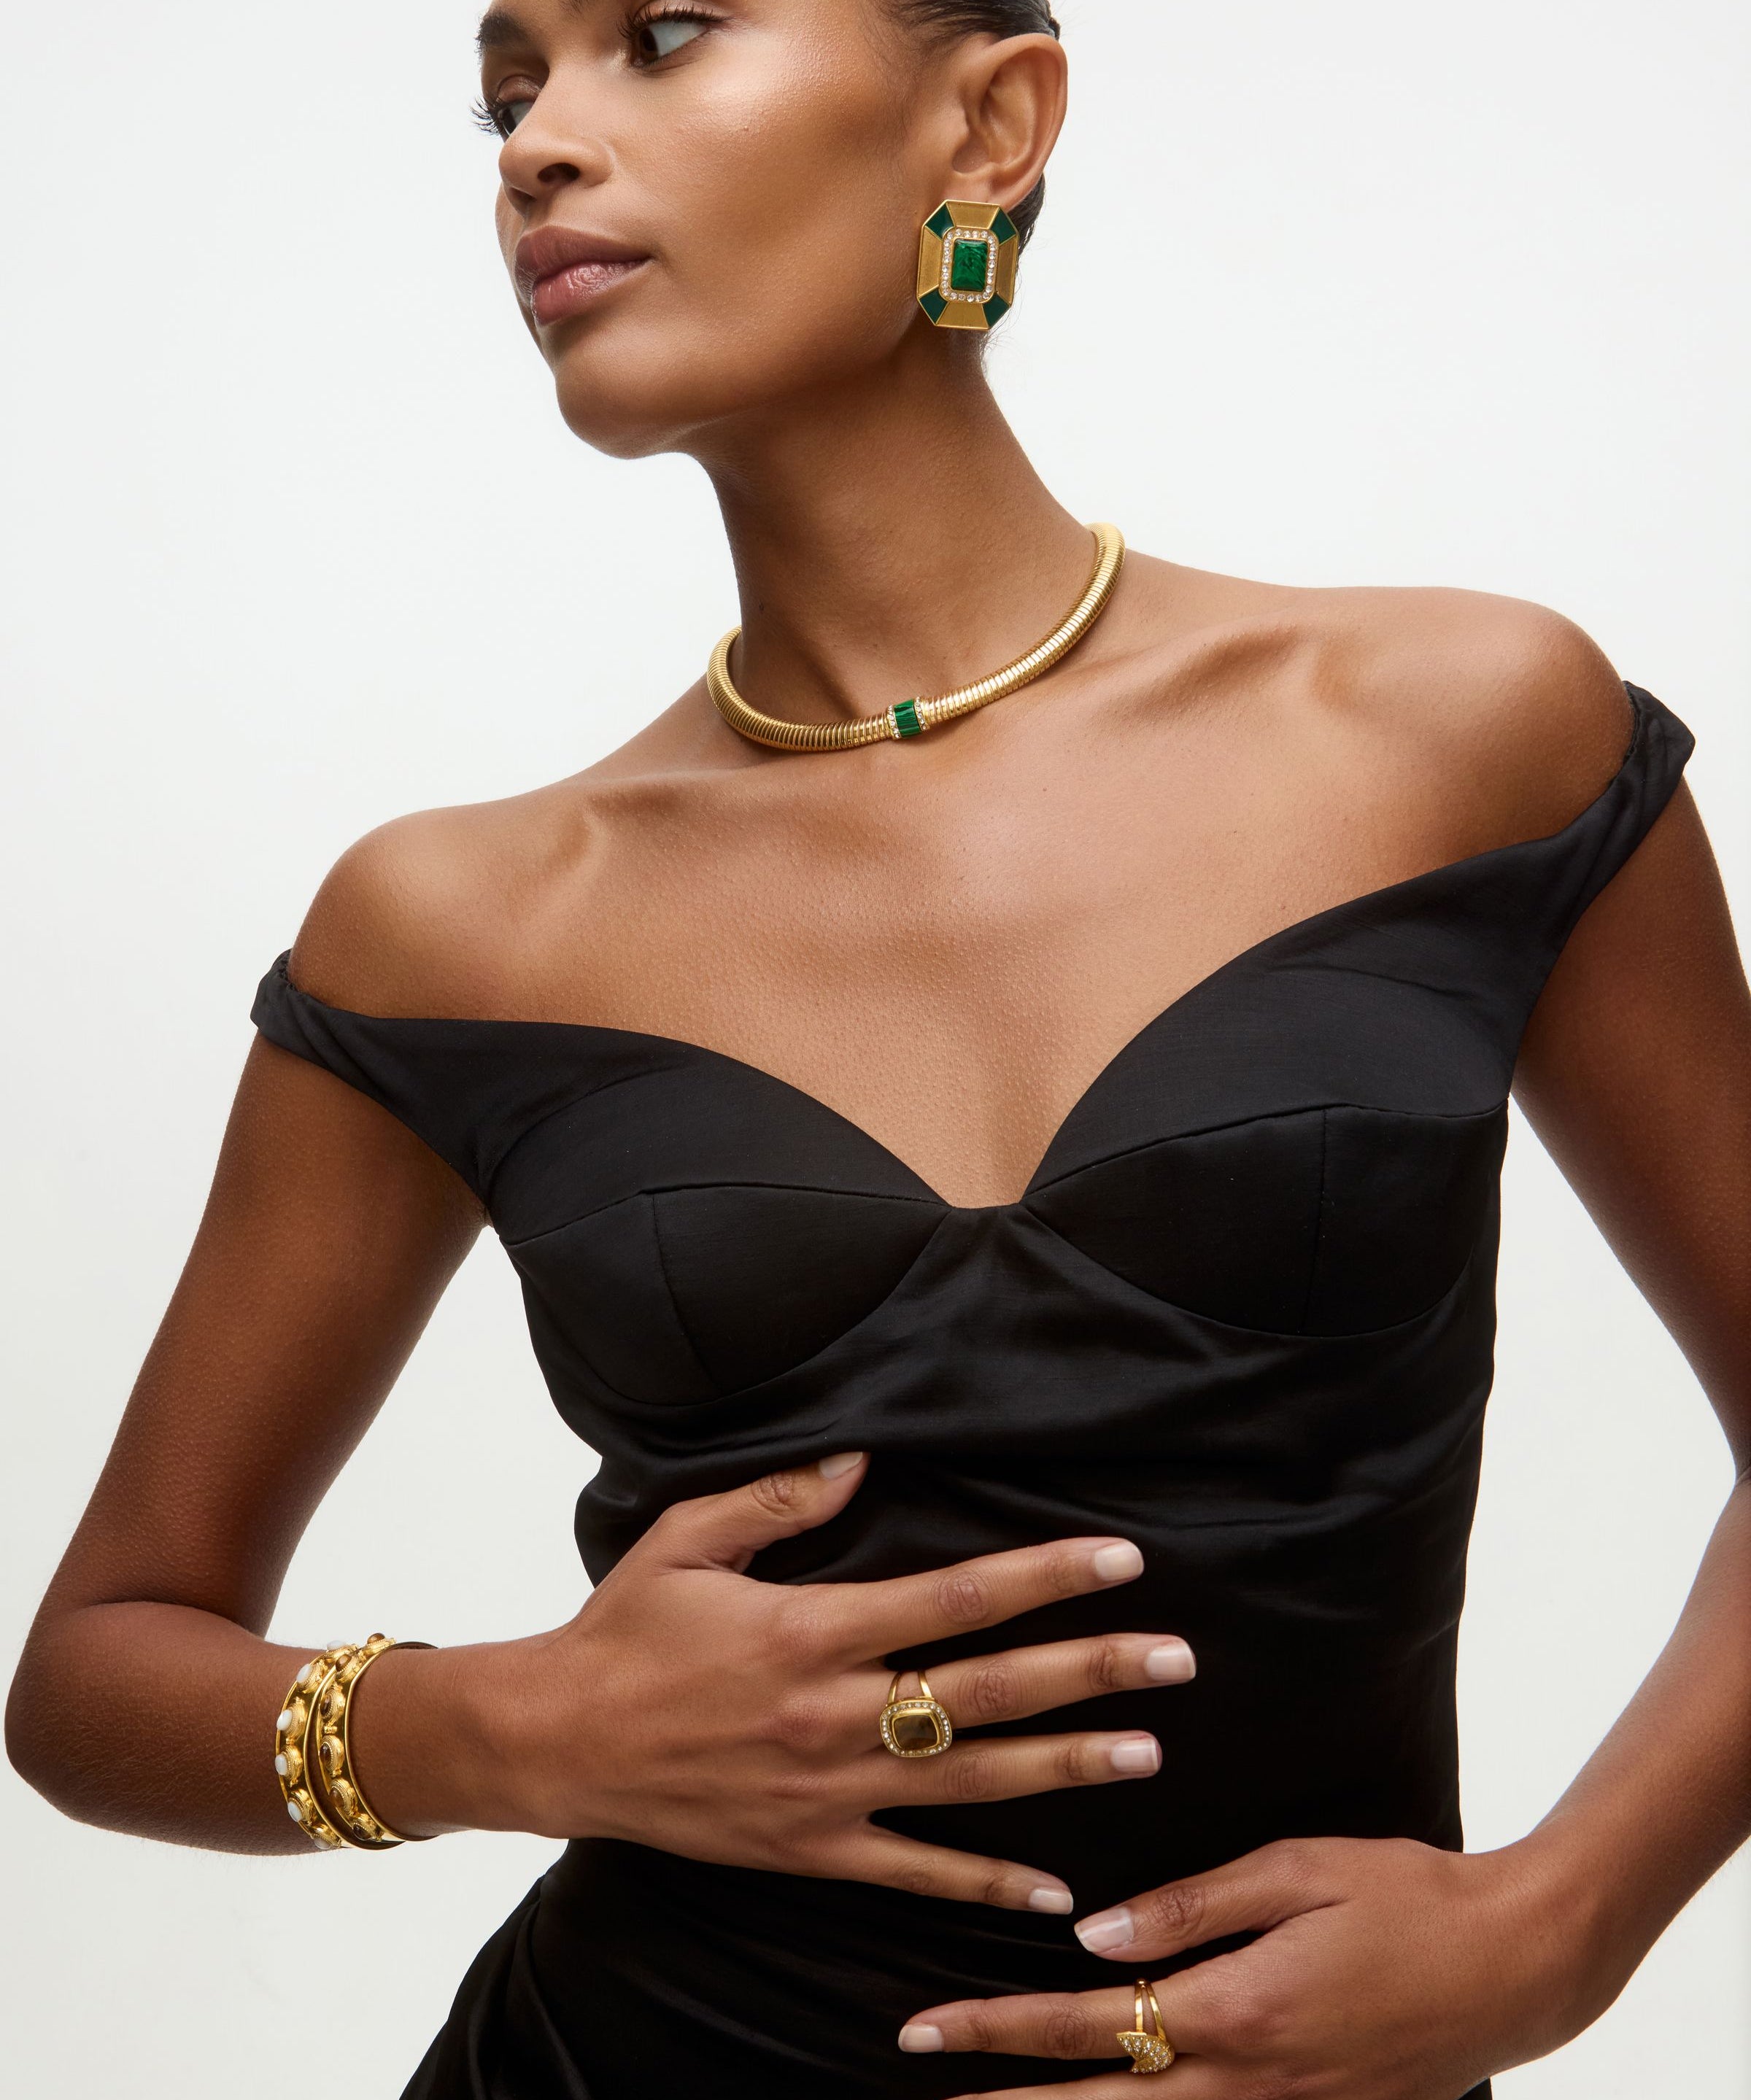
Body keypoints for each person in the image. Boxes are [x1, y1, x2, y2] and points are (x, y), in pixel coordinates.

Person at [8, 4, 1749, 2096]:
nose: (542, 142)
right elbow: (99, 1670)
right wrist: (506, 1725)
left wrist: (1562, 1929)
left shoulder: (1459, 734)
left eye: (661, 35)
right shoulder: (455, 921)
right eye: (507, 90)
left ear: (989, 122)